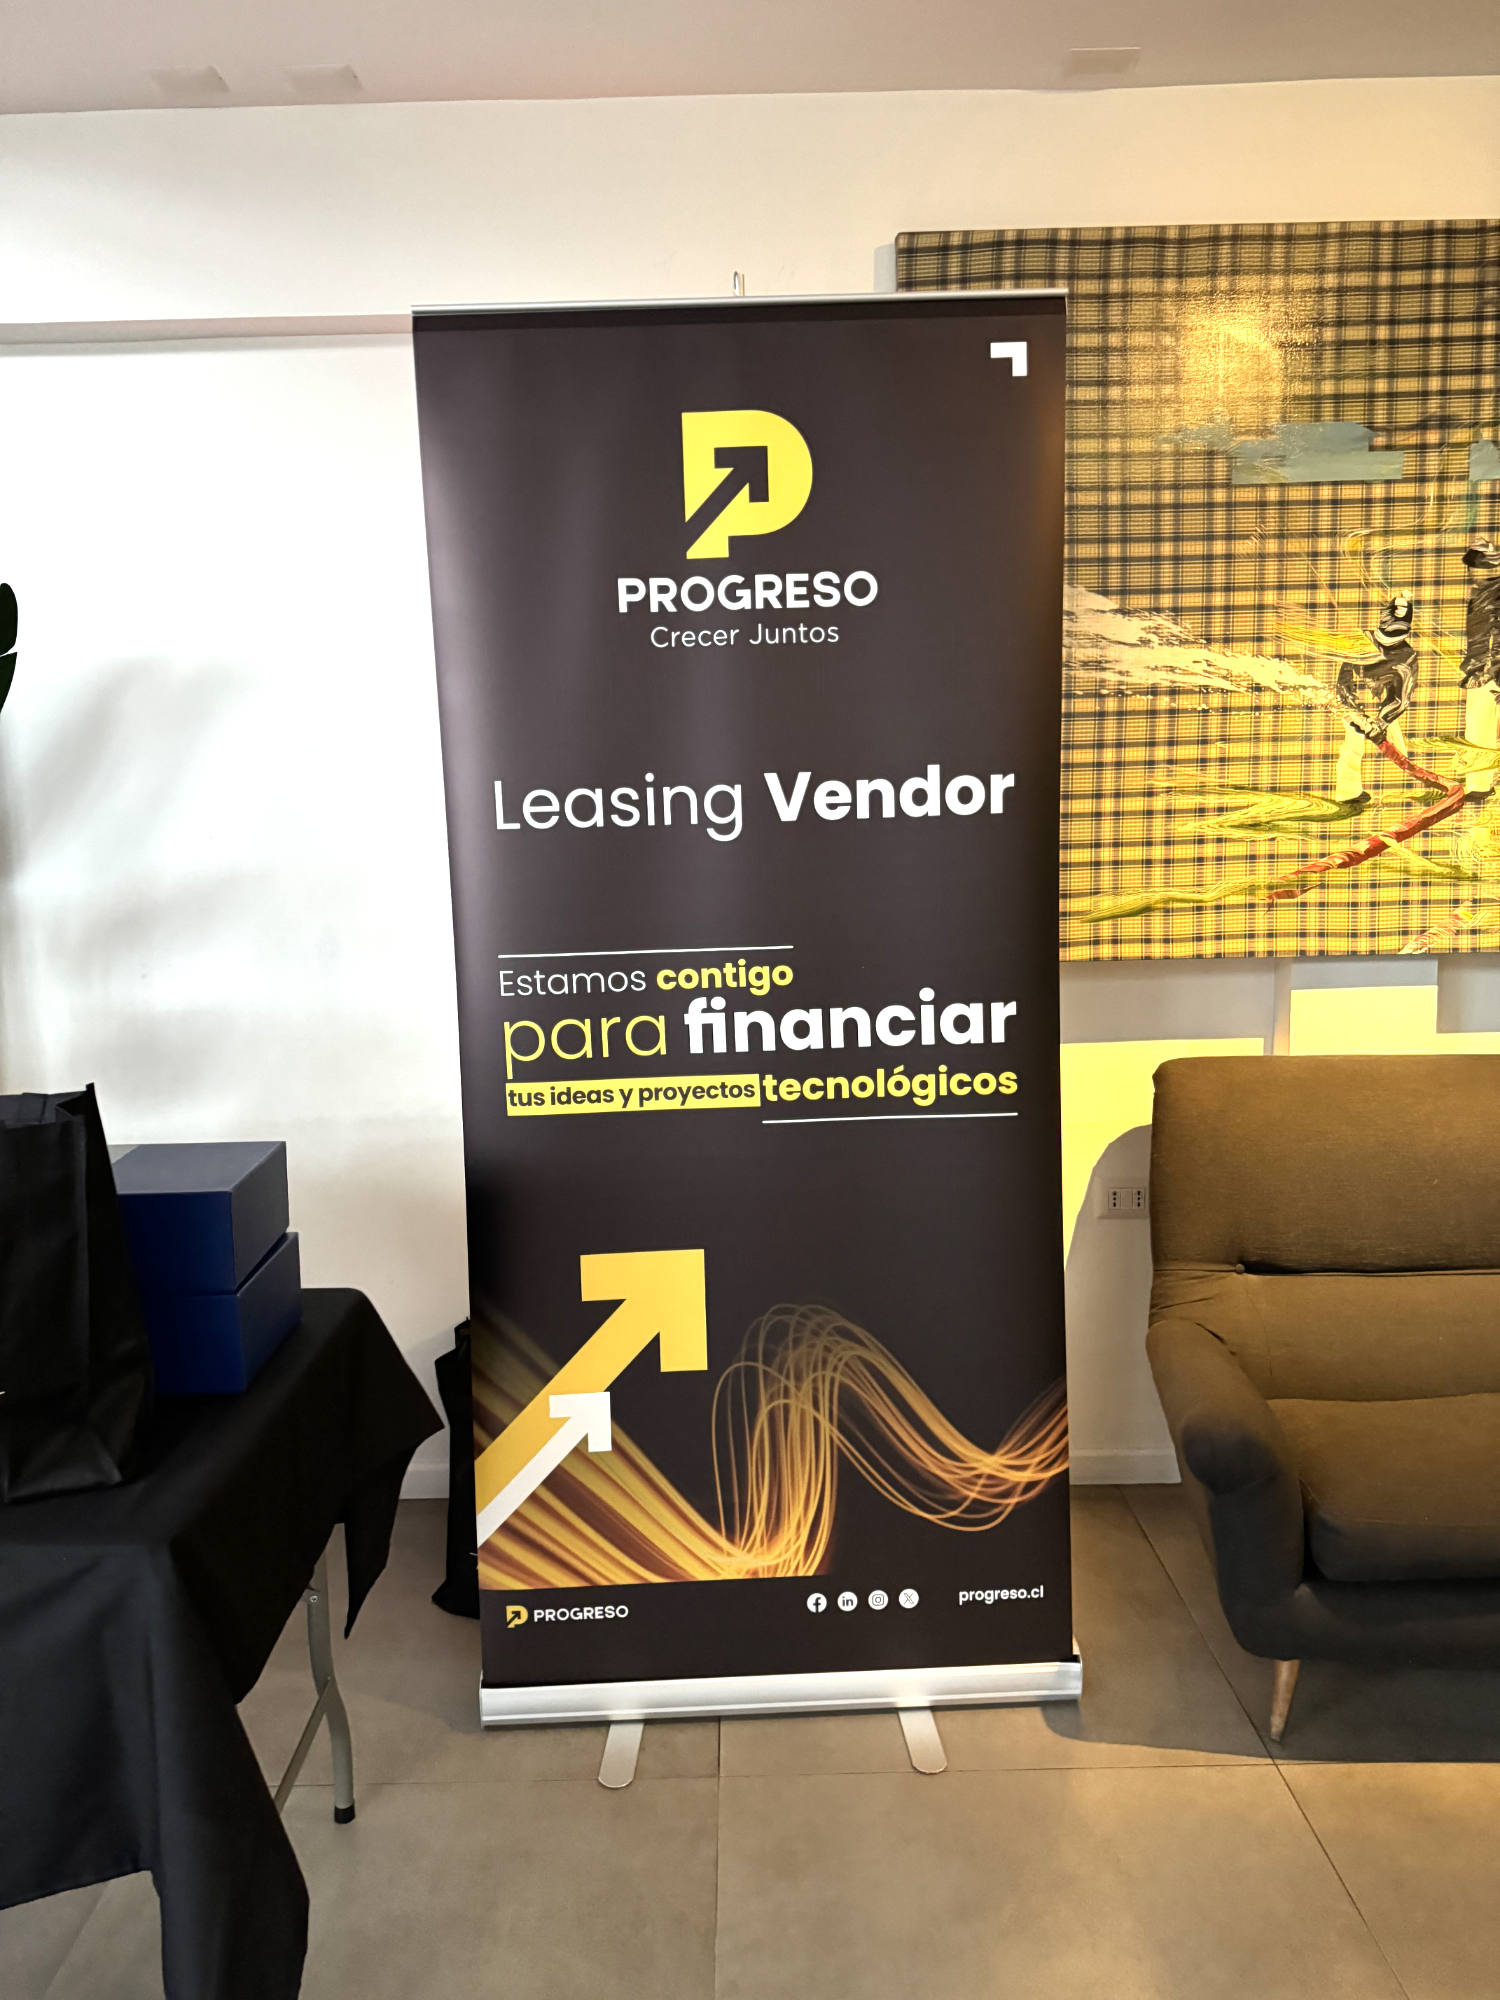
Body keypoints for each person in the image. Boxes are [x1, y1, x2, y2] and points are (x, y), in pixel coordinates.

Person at [1331, 593, 1416, 809]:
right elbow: (1344, 677)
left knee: (1397, 749)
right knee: (1352, 745)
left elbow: (1401, 696)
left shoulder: (1407, 655)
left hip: (1384, 703)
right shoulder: (1361, 641)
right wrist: (1351, 708)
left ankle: (1411, 779)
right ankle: (1348, 793)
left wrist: (1381, 721)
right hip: (1354, 700)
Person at [1458, 534, 1500, 801]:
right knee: (1478, 728)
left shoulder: (1489, 595)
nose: (1474, 573)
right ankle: (1478, 784)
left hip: (1488, 673)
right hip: (1481, 672)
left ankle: (1479, 783)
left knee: (1480, 727)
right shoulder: (1479, 596)